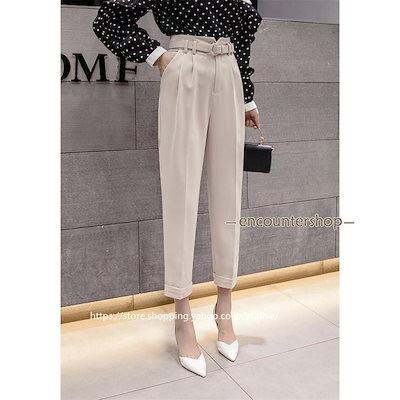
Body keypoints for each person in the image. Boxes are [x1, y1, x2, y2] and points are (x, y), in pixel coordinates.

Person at [93, 0, 262, 377]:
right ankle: (182, 315)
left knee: (229, 190)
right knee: (180, 189)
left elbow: (242, 39)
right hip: (184, 66)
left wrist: (248, 97)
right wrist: (158, 56)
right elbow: (109, 19)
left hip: (229, 71)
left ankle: (224, 307)